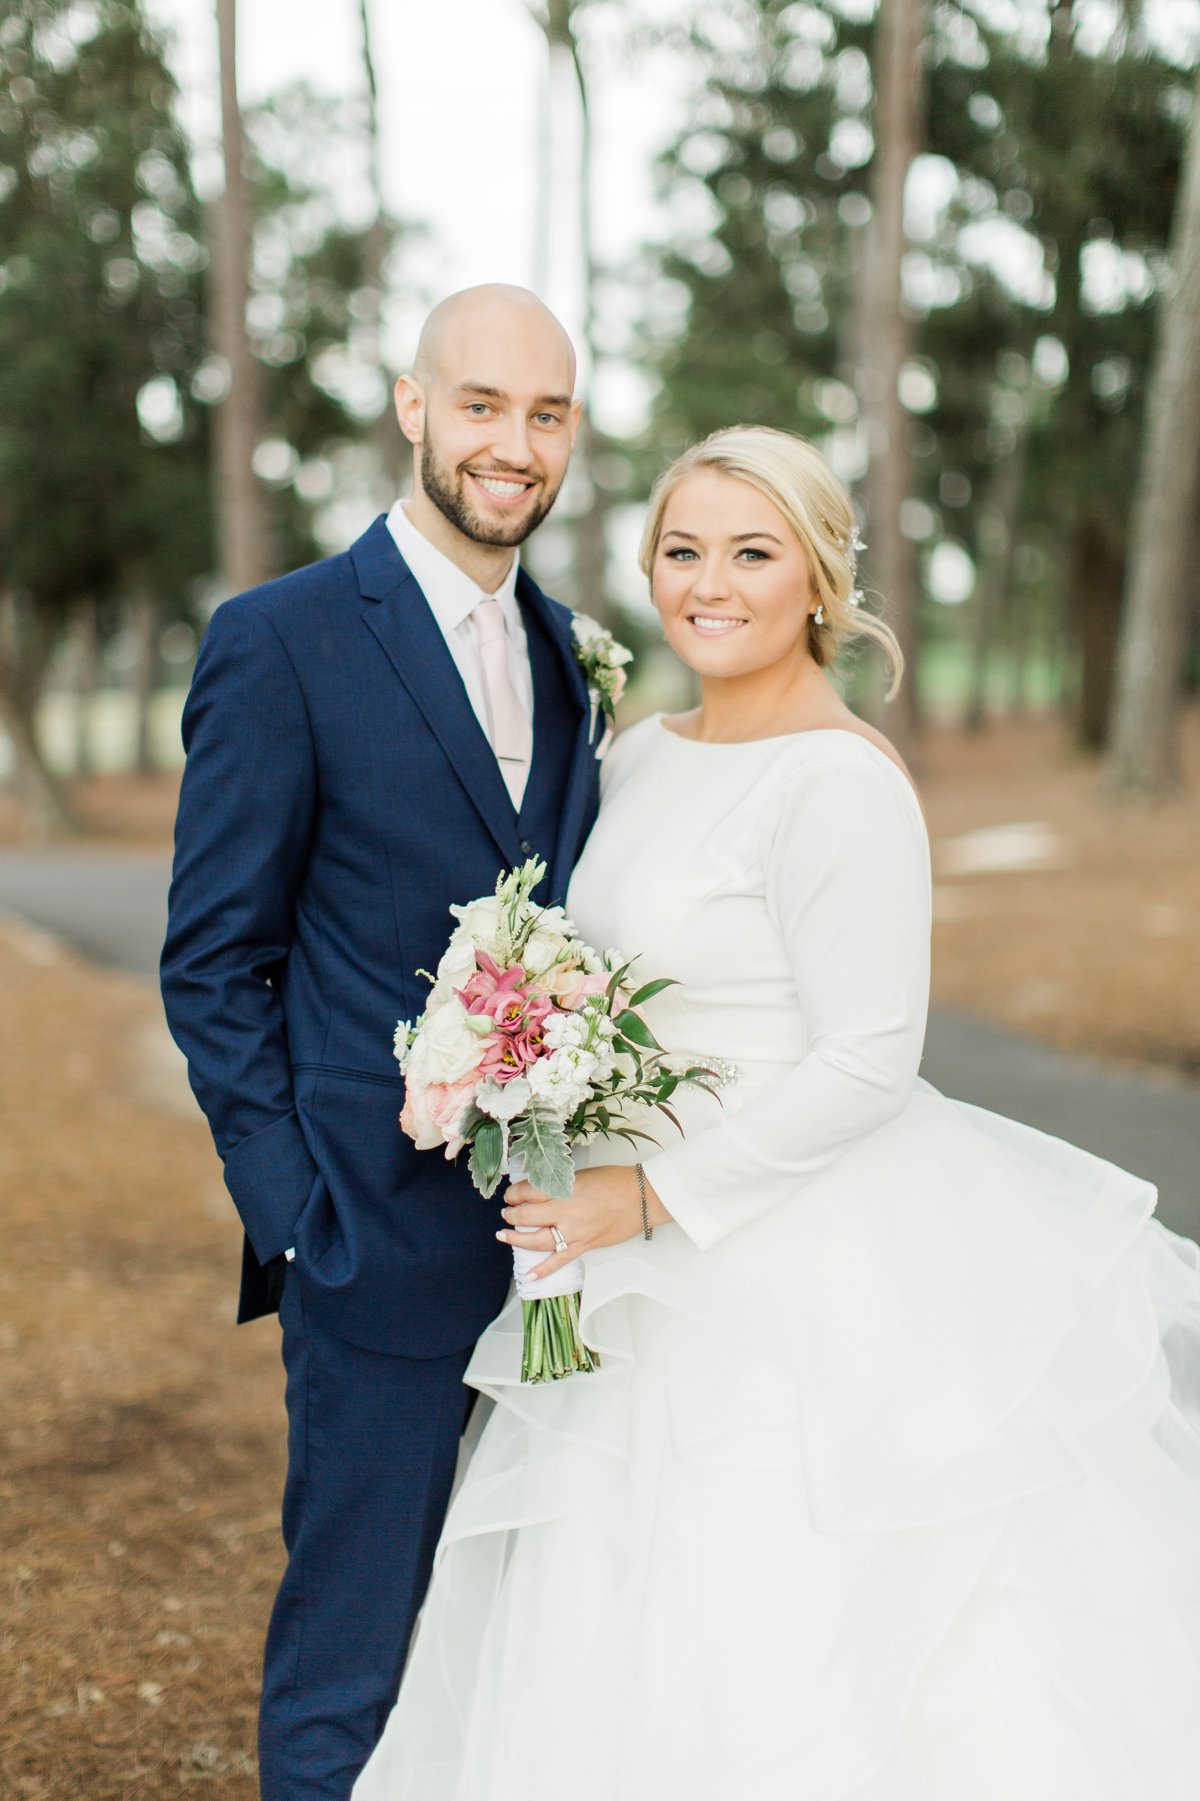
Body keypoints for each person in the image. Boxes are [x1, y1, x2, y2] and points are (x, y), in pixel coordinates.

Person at [355, 425, 1200, 1801]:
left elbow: (872, 1053)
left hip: (785, 1253)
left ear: (817, 576)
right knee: (613, 1602)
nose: (712, 583)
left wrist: (650, 1194)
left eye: (752, 552)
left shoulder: (841, 776)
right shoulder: (638, 755)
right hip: (617, 1260)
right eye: (683, 551)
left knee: (782, 1607)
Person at [160, 285, 606, 1800]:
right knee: (355, 1659)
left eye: (546, 414)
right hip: (371, 1252)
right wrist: (301, 1225)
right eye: (482, 404)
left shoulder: (567, 655)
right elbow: (215, 961)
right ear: (414, 406)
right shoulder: (280, 641)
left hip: (554, 1260)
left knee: (509, 1650)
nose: (514, 443)